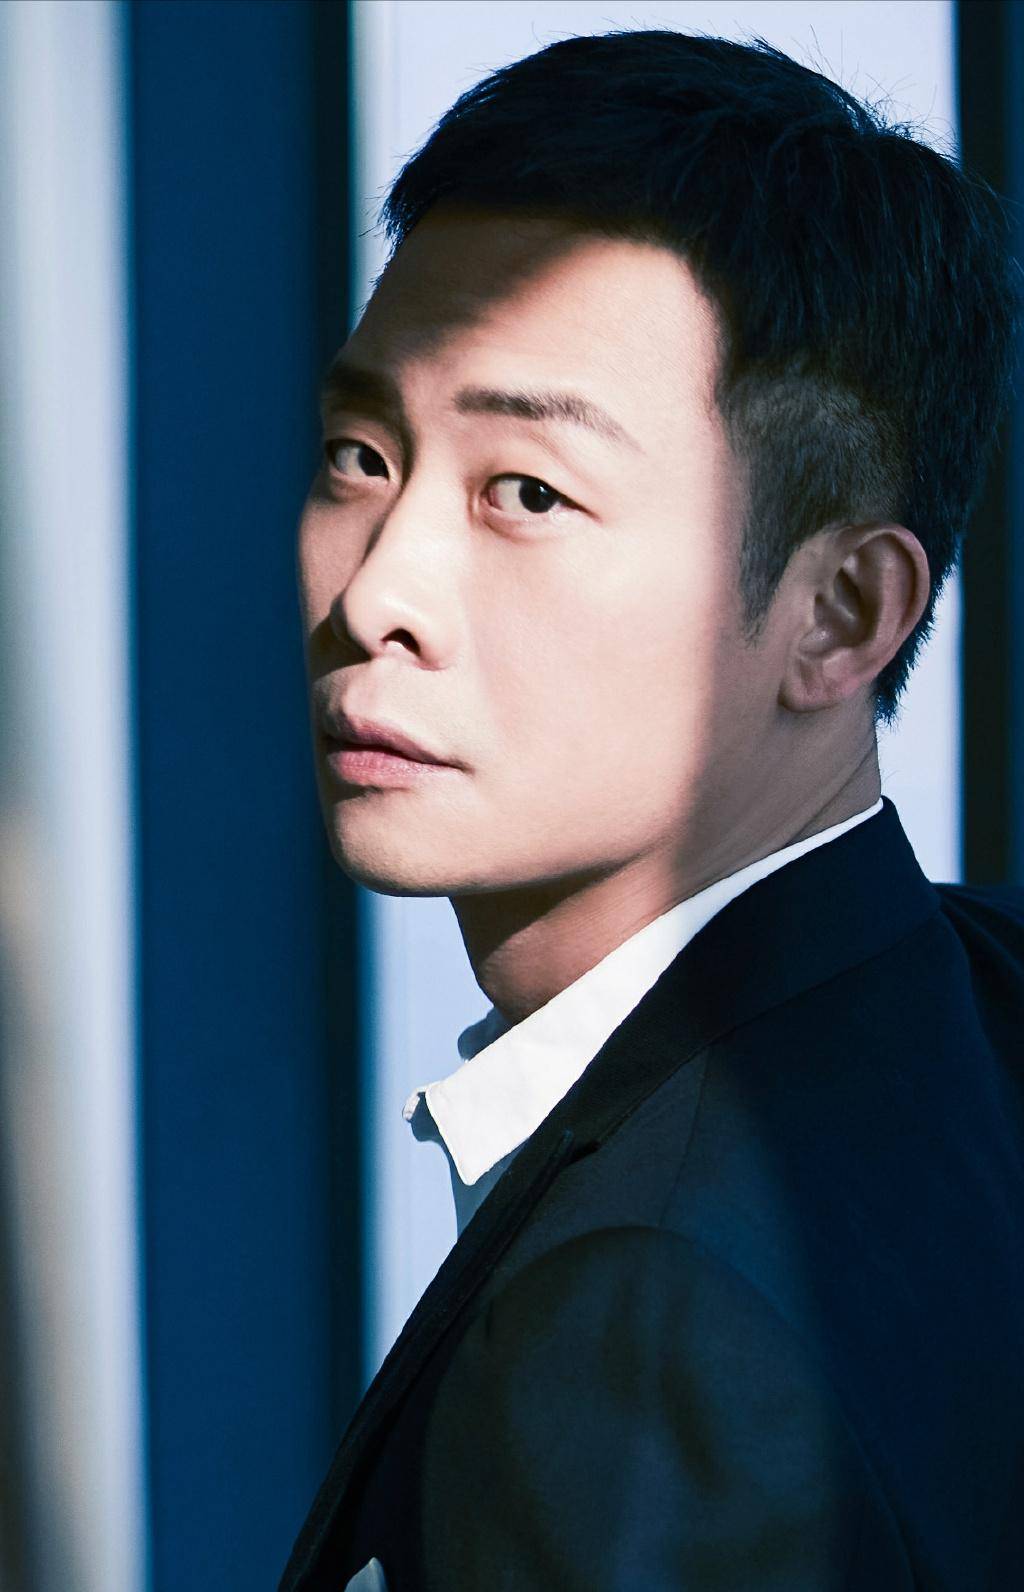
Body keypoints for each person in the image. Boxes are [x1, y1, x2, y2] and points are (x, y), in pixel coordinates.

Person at [278, 26, 1024, 1592]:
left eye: (527, 492)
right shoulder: (966, 1001)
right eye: (361, 455)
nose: (381, 592)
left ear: (838, 613)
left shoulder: (645, 1327)